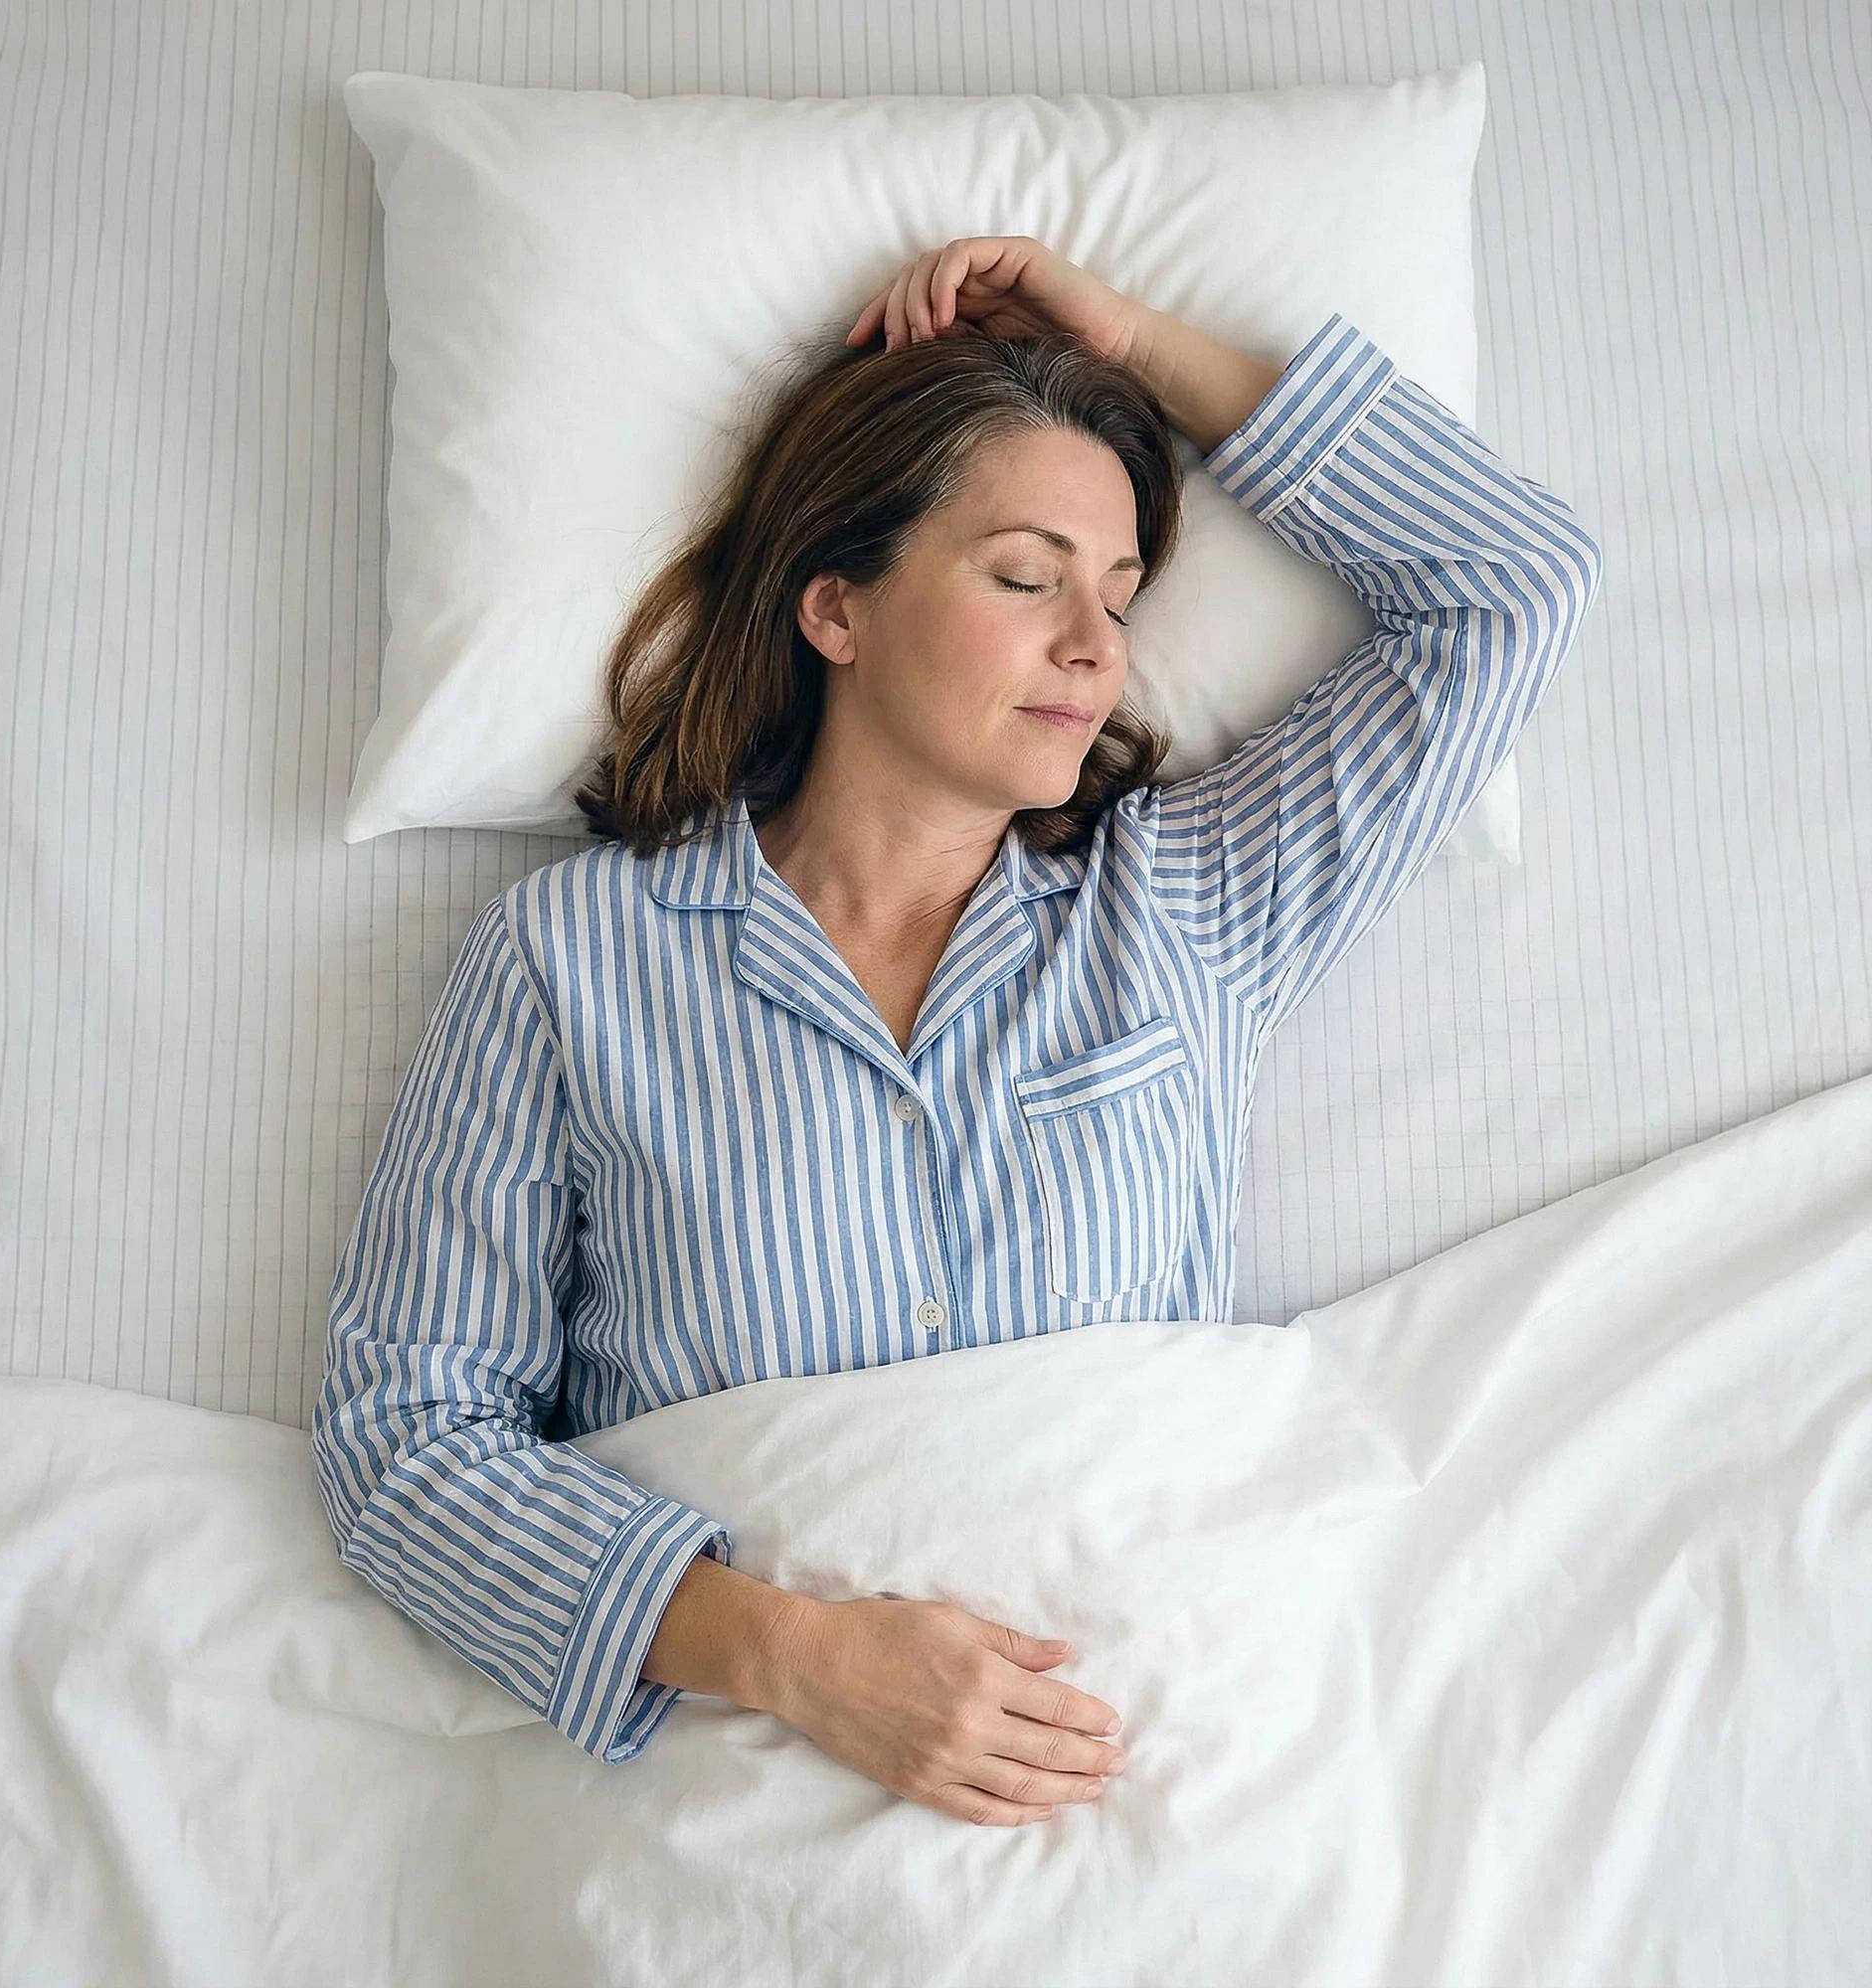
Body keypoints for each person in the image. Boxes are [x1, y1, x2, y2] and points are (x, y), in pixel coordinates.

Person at [311, 237, 1605, 1830]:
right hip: (750, 1806)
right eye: (1025, 577)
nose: (1096, 647)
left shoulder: (1187, 907)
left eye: (1119, 594)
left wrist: (1134, 343)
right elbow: (406, 1438)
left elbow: (1510, 583)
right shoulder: (571, 959)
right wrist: (795, 1657)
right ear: (837, 607)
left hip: (1168, 1778)